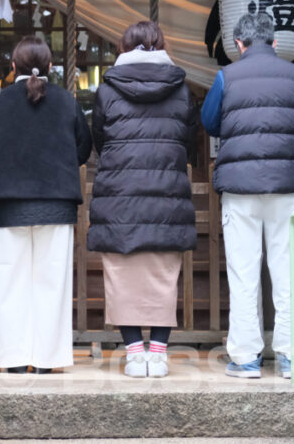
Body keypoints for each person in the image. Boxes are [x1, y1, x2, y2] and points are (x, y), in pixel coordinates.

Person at [201, 11, 294, 379]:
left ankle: (246, 358)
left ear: (238, 45)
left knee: (244, 272)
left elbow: (209, 121)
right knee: (288, 273)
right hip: (286, 186)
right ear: (275, 42)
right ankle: (290, 358)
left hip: (240, 186)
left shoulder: (225, 76)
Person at [0, 36, 92, 374]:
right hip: (56, 205)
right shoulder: (67, 102)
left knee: (9, 285)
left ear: (13, 68)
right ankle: (46, 360)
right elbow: (83, 148)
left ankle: (11, 358)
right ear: (51, 67)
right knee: (51, 285)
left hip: (6, 206)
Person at [87, 21, 197, 379]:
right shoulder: (180, 88)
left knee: (121, 274)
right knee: (164, 274)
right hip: (167, 195)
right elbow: (188, 137)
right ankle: (160, 355)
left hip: (120, 197)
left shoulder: (108, 89)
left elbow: (100, 140)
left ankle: (135, 354)